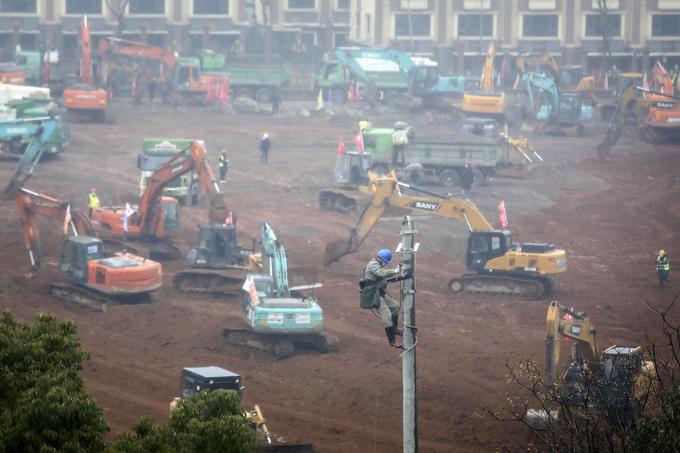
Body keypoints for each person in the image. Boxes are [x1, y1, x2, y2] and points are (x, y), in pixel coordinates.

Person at [359, 249, 402, 348]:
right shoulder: (373, 264)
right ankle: (392, 341)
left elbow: (382, 274)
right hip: (373, 294)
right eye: (385, 262)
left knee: (395, 306)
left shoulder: (376, 264)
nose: (385, 264)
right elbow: (381, 273)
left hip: (378, 292)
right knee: (386, 316)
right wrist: (394, 271)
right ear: (381, 259)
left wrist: (395, 270)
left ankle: (394, 329)